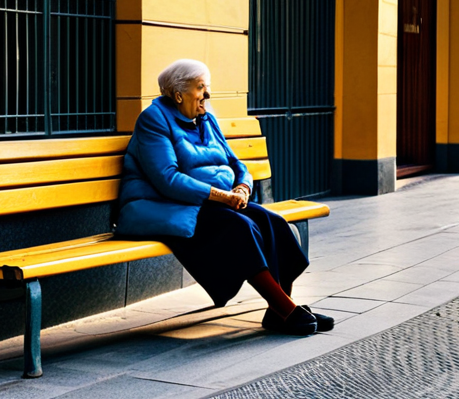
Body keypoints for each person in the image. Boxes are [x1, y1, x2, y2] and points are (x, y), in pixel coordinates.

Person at [115, 59, 333, 335]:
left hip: (211, 203)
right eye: (200, 87)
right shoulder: (153, 119)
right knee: (240, 228)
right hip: (166, 205)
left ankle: (279, 311)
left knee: (272, 223)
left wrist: (242, 186)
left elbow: (235, 162)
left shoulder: (205, 118)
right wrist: (222, 196)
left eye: (207, 87)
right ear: (179, 94)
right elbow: (167, 179)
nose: (206, 94)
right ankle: (286, 309)